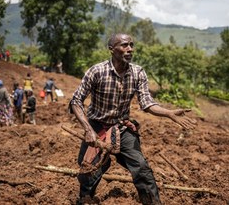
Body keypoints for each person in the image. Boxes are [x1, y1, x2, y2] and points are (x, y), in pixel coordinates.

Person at [69, 33, 197, 205]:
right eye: (124, 45)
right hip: (96, 126)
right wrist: (88, 130)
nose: (130, 49)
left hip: (121, 127)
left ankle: (152, 202)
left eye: (131, 45)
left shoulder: (138, 73)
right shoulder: (97, 71)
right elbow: (76, 101)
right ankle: (85, 199)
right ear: (111, 49)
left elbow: (147, 103)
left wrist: (169, 113)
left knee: (141, 168)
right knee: (89, 170)